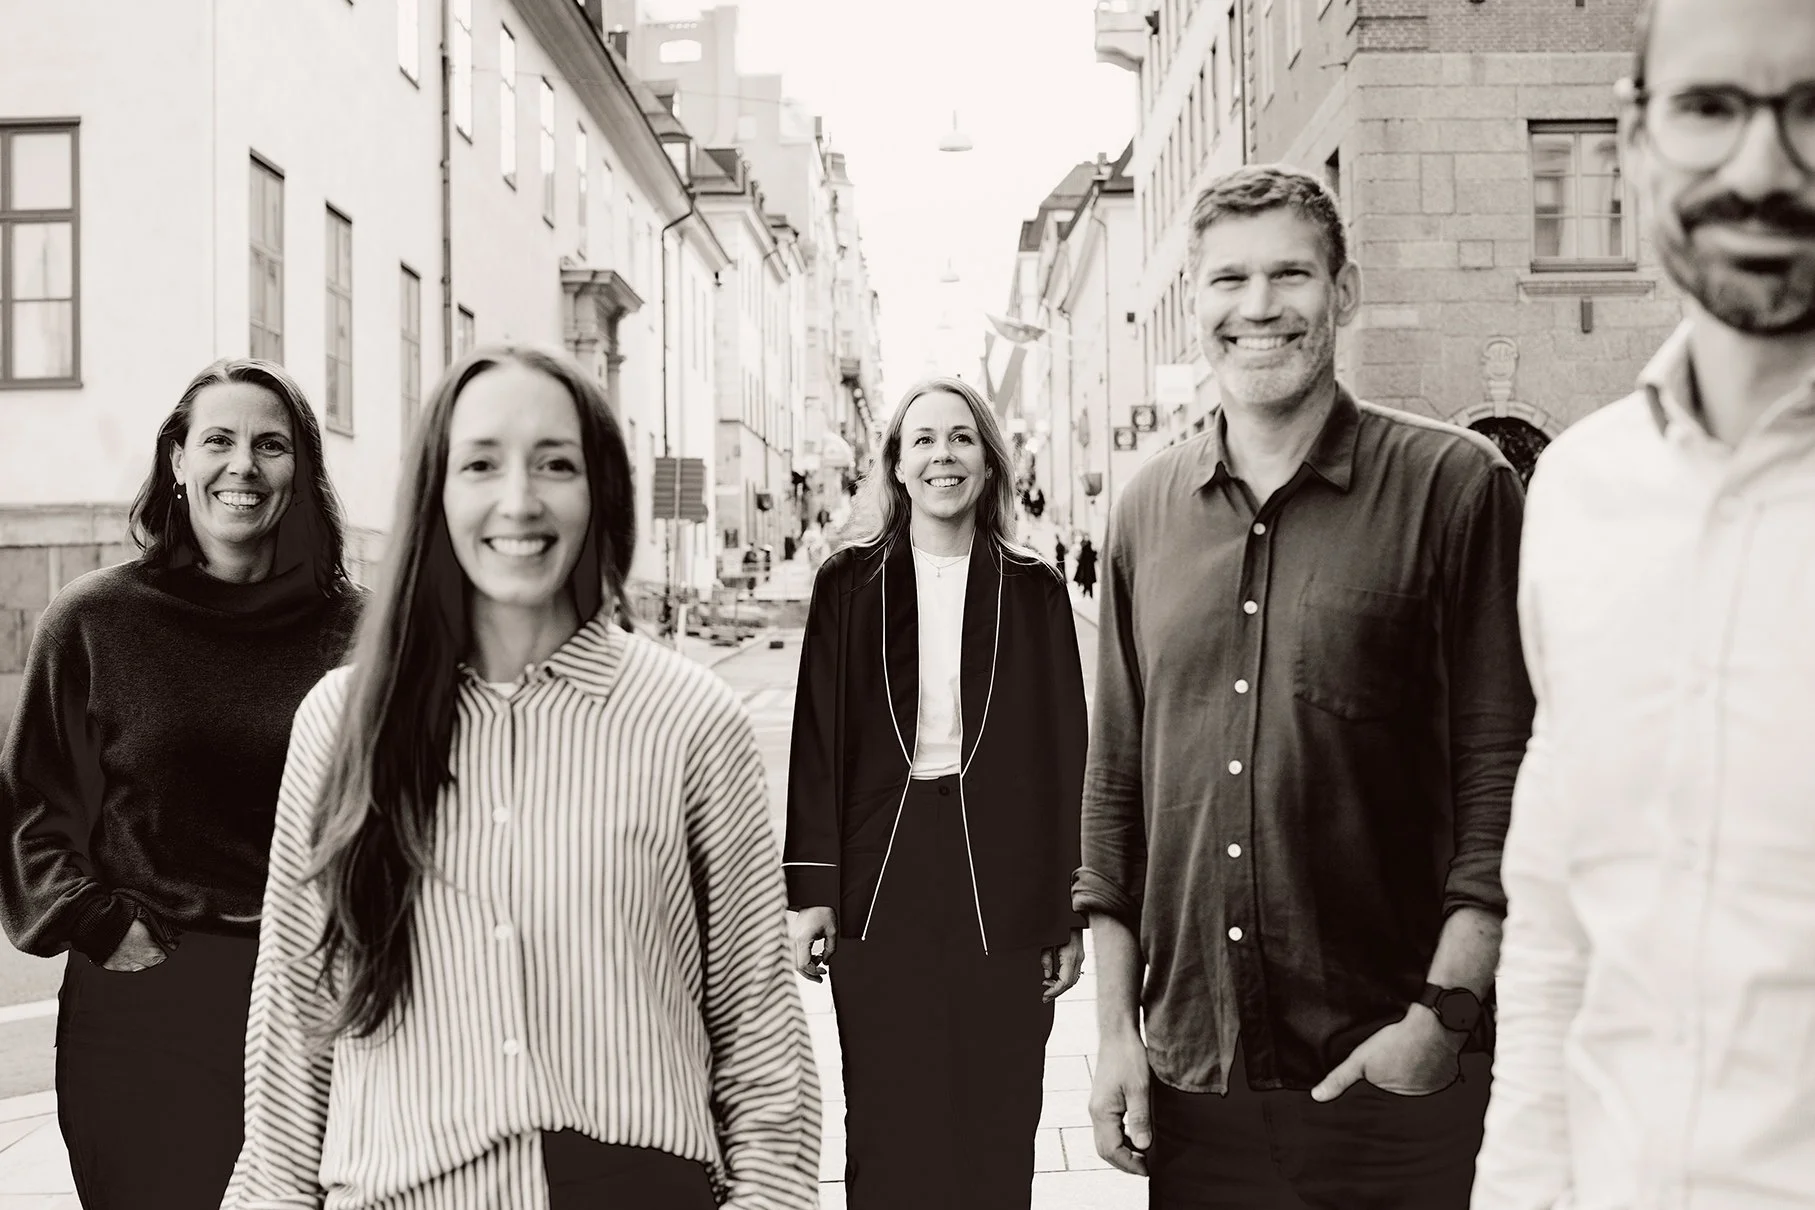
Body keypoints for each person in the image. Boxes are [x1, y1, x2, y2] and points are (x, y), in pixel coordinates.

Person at [224, 346, 818, 1209]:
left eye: (555, 464)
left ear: (599, 491)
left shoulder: (691, 720)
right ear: (436, 492)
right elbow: (293, 1032)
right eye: (480, 464)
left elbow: (762, 1046)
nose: (518, 500)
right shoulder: (340, 722)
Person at [1076, 164, 1534, 1208]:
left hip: (1393, 1072)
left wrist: (1443, 1019)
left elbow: (1503, 773)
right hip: (1197, 1081)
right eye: (1228, 279)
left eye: (1290, 274)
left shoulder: (1456, 486)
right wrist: (1115, 1036)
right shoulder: (1145, 510)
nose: (1259, 305)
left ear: (1344, 291)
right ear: (1193, 304)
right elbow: (1115, 791)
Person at [1474, 0, 1815, 1204]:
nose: (1763, 164)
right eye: (1711, 106)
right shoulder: (1581, 492)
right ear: (1634, 138)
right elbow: (1557, 936)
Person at [0, 358, 362, 1209]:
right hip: (146, 1010)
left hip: (320, 1005)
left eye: (271, 445)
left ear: (302, 470)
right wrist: (103, 925)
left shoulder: (366, 632)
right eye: (219, 441)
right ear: (177, 460)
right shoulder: (94, 620)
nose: (243, 466)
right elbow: (28, 813)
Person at [785, 376, 1089, 1210]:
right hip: (881, 873)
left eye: (960, 438)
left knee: (998, 1114)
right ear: (895, 464)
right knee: (888, 1114)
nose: (941, 456)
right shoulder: (848, 583)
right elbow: (816, 742)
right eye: (922, 439)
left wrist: (1069, 908)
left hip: (1003, 881)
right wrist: (811, 892)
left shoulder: (1033, 588)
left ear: (988, 464)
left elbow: (1066, 756)